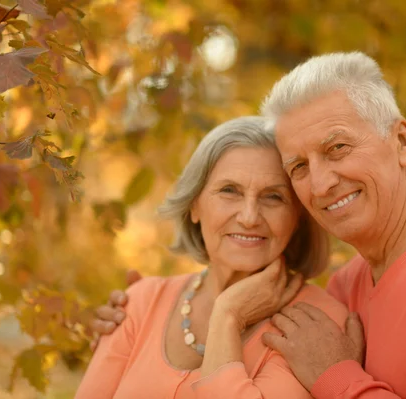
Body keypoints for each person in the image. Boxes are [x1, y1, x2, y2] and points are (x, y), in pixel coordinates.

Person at [92, 52, 406, 399]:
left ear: (401, 141)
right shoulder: (346, 289)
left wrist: (337, 377)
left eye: (338, 148)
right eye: (299, 167)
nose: (323, 183)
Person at [75, 116, 349, 399]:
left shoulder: (318, 324)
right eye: (229, 191)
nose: (249, 217)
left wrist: (227, 316)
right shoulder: (140, 303)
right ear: (194, 206)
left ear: (298, 218)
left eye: (273, 197)